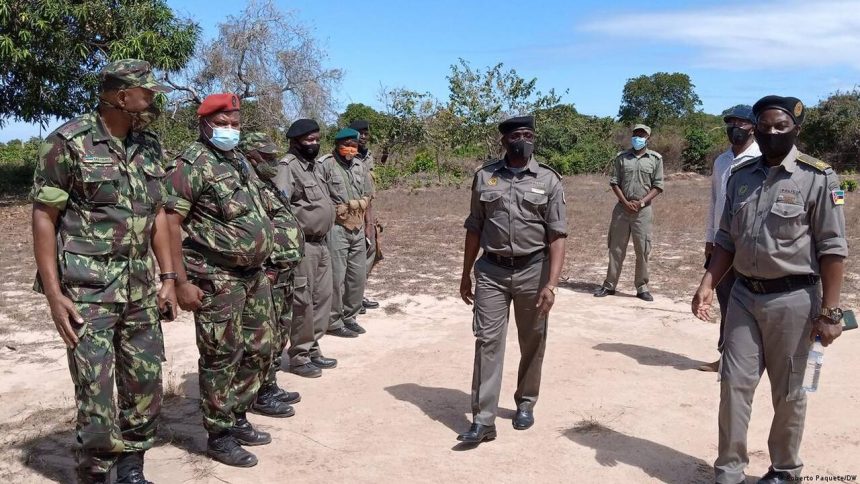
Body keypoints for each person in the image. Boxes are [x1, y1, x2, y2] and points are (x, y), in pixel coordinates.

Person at [30, 59, 177, 484]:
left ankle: (132, 468)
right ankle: (96, 472)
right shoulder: (68, 142)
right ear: (119, 96)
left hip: (139, 290)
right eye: (146, 93)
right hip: (87, 291)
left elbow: (160, 215)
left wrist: (168, 278)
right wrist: (55, 296)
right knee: (96, 395)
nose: (152, 101)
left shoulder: (150, 147)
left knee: (145, 386)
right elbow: (45, 216)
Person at [692, 95, 847, 484]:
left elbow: (833, 249)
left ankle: (784, 469)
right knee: (733, 384)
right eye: (765, 126)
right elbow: (726, 238)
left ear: (796, 129)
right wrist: (708, 282)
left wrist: (830, 312)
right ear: (755, 128)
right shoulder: (741, 177)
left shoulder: (819, 178)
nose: (772, 133)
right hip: (743, 295)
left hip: (794, 300)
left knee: (790, 391)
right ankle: (729, 471)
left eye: (781, 126)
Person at [164, 93, 289, 468]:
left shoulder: (237, 160)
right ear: (205, 124)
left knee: (261, 347)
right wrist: (180, 282)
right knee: (222, 354)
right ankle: (218, 434)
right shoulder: (191, 164)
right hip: (214, 275)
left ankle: (237, 415)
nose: (230, 130)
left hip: (252, 274)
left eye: (235, 124)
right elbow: (170, 224)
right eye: (223, 124)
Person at [458, 115, 567, 443]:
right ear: (504, 141)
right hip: (491, 271)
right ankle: (483, 419)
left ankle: (526, 401)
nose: (524, 140)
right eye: (517, 135)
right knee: (487, 342)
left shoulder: (549, 180)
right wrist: (465, 274)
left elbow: (558, 235)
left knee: (532, 339)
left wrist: (552, 284)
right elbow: (474, 227)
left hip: (534, 271)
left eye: (529, 135)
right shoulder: (485, 176)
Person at [238, 132, 304, 412]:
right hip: (271, 273)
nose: (273, 162)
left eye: (274, 157)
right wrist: (269, 267)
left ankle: (270, 383)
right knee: (264, 336)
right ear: (251, 158)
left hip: (285, 271)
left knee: (280, 332)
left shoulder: (268, 185)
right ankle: (259, 393)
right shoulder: (248, 188)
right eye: (266, 158)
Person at [274, 119, 340, 378]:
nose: (314, 144)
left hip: (322, 243)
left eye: (316, 139)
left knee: (323, 297)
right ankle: (299, 356)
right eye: (308, 140)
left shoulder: (314, 168)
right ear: (294, 142)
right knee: (302, 301)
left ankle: (313, 348)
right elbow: (280, 208)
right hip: (302, 246)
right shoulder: (288, 167)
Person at [699, 105, 761, 372]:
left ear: (754, 127)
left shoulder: (762, 158)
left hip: (749, 245)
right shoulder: (721, 161)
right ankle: (725, 356)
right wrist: (710, 239)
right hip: (722, 244)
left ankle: (750, 359)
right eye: (731, 123)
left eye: (742, 123)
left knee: (750, 303)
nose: (735, 128)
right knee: (725, 300)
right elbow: (715, 201)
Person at [594, 124, 664, 301]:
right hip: (621, 210)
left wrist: (640, 203)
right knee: (615, 249)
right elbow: (614, 182)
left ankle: (642, 287)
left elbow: (658, 186)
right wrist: (625, 202)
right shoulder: (622, 157)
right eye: (636, 134)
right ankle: (609, 285)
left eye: (642, 135)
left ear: (648, 137)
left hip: (643, 211)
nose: (638, 137)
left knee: (643, 250)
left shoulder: (655, 159)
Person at [320, 128, 375, 336]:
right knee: (336, 277)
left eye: (354, 145)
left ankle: (350, 316)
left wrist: (369, 227)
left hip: (358, 227)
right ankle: (333, 321)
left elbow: (368, 199)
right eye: (347, 145)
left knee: (357, 275)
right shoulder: (325, 165)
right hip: (336, 228)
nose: (351, 149)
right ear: (337, 145)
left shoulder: (360, 166)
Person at [348, 119, 383, 313]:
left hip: (368, 207)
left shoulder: (368, 156)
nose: (363, 136)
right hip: (352, 210)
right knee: (355, 254)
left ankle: (358, 295)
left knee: (371, 251)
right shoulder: (346, 155)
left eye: (365, 132)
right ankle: (351, 300)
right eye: (358, 132)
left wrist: (371, 219)